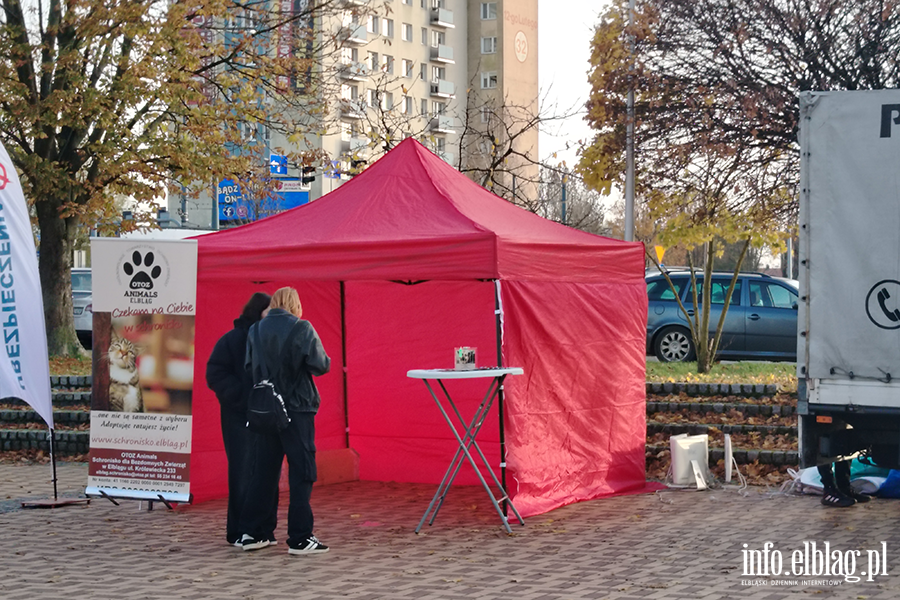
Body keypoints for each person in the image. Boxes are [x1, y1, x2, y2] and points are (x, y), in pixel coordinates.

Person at [241, 287, 332, 555]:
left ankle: (254, 533)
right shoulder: (302, 328)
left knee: (264, 471)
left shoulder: (255, 330)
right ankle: (301, 537)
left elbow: (249, 367)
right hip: (297, 409)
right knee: (302, 471)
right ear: (296, 304)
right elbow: (321, 365)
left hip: (265, 410)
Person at [205, 292, 278, 546]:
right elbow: (215, 372)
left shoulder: (273, 338)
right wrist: (240, 397)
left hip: (269, 415)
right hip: (239, 417)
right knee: (244, 472)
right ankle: (239, 531)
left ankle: (264, 530)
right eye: (270, 310)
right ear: (258, 311)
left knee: (269, 472)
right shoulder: (233, 339)